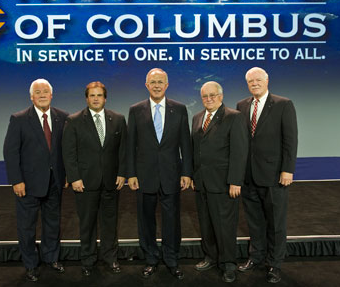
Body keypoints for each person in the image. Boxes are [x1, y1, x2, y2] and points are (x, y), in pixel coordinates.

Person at [127, 68, 192, 280]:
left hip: (171, 174)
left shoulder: (180, 109)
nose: (156, 85)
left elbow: (185, 143)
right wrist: (131, 174)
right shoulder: (135, 110)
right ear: (147, 85)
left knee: (172, 221)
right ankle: (151, 259)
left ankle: (172, 260)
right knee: (146, 221)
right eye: (153, 82)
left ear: (167, 85)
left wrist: (187, 173)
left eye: (160, 82)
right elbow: (131, 145)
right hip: (144, 176)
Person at [236, 67, 298, 284]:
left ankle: (275, 264)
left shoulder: (283, 104)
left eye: (258, 80)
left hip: (274, 175)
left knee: (276, 223)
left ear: (267, 80)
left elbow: (290, 140)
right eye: (251, 81)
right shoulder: (241, 106)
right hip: (248, 175)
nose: (254, 83)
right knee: (254, 221)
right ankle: (256, 257)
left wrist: (287, 169)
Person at [3, 79, 68, 282]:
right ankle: (30, 264)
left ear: (51, 95)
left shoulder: (63, 117)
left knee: (52, 224)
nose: (42, 95)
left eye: (45, 91)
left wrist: (67, 176)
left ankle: (51, 258)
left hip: (55, 182)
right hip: (28, 184)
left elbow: (66, 150)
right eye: (37, 92)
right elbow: (10, 152)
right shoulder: (19, 119)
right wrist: (16, 180)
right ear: (31, 97)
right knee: (27, 226)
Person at [62, 81, 127, 276]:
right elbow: (69, 152)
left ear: (105, 98)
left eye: (99, 95)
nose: (96, 98)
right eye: (92, 95)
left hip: (111, 182)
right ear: (86, 98)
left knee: (110, 223)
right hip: (85, 183)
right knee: (87, 224)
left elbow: (123, 150)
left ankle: (110, 258)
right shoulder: (73, 121)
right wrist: (74, 177)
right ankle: (88, 260)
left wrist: (122, 173)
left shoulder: (118, 119)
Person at [191, 81, 248, 283]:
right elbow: (195, 150)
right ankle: (211, 257)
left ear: (221, 96)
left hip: (224, 184)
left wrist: (235, 181)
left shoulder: (234, 117)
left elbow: (239, 152)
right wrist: (191, 176)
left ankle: (228, 263)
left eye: (213, 95)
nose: (208, 99)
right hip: (202, 183)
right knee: (206, 224)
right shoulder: (197, 118)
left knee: (225, 227)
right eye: (205, 96)